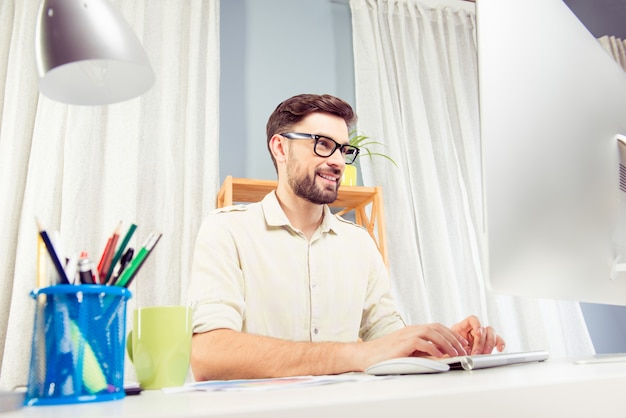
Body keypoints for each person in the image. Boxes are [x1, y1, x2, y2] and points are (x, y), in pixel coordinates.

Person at [187, 93, 505, 381]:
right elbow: (208, 355)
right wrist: (355, 355)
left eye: (343, 149)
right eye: (323, 144)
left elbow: (388, 341)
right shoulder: (227, 230)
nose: (338, 161)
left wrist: (439, 346)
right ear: (280, 147)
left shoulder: (360, 244)